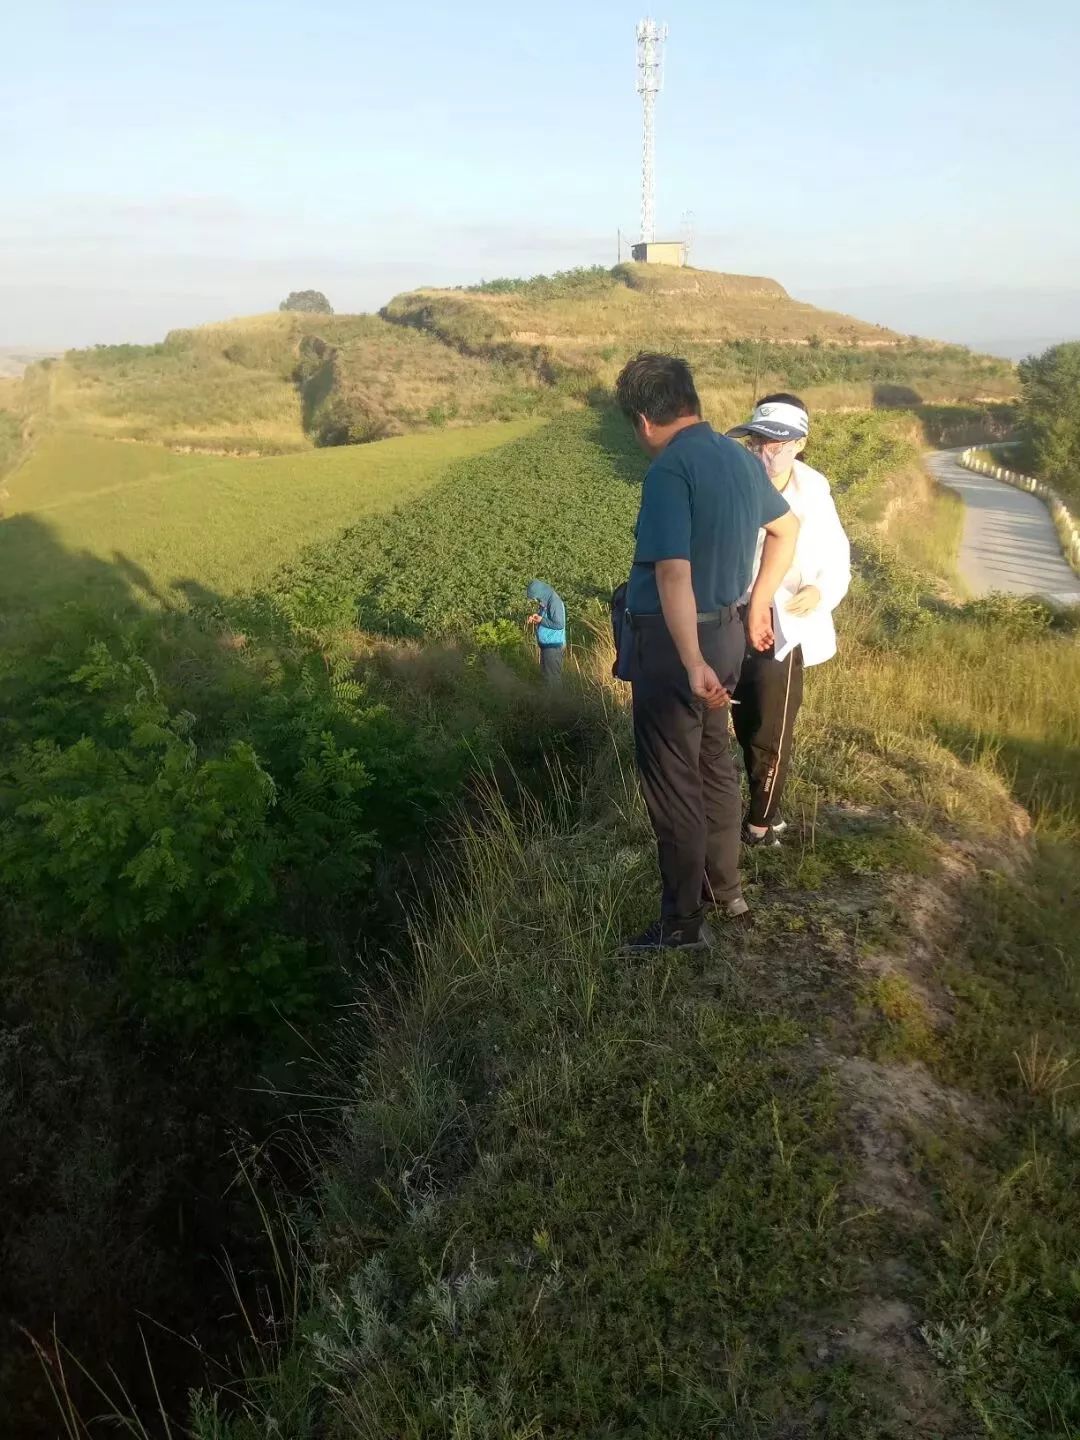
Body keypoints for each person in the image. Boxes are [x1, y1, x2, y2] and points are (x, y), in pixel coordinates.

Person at [614, 353, 800, 953]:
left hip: (676, 647)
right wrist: (759, 603)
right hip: (725, 633)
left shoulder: (670, 469)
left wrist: (690, 662)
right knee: (714, 762)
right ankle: (727, 889)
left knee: (674, 781)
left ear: (644, 420)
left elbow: (672, 572)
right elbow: (787, 530)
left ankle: (681, 924)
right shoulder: (736, 457)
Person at [727, 394, 851, 846]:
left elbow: (837, 560)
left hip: (785, 626)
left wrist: (820, 591)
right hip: (730, 616)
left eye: (779, 442)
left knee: (770, 728)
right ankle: (751, 807)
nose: (767, 451)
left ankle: (760, 823)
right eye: (759, 440)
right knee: (740, 720)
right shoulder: (732, 481)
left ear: (800, 443)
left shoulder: (814, 493)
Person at [525, 580, 567, 680]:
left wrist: (541, 620)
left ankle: (555, 696)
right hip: (548, 645)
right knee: (546, 676)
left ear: (540, 592)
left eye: (536, 597)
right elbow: (546, 618)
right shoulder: (546, 600)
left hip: (553, 646)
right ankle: (549, 695)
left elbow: (559, 624)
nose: (536, 600)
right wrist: (537, 617)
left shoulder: (554, 602)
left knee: (552, 679)